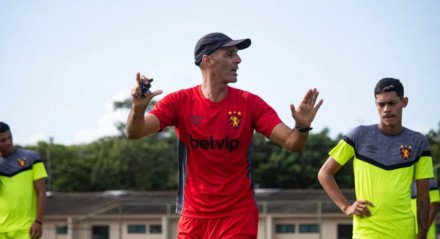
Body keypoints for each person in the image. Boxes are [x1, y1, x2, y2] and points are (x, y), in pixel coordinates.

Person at [126, 32, 323, 238]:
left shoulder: (250, 103)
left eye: (236, 54)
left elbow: (293, 143)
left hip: (238, 216)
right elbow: (135, 132)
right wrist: (138, 109)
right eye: (230, 54)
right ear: (207, 60)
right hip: (193, 217)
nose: (238, 59)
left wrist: (301, 127)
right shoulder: (178, 102)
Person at [318, 78, 434, 239]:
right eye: (381, 104)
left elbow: (423, 196)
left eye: (392, 103)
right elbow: (324, 173)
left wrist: (422, 236)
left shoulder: (418, 142)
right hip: (366, 233)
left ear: (404, 102)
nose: (386, 109)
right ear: (376, 105)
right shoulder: (358, 135)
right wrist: (346, 207)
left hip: (404, 233)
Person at [0, 122, 47, 239]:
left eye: (9, 137)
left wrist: (38, 221)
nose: (8, 142)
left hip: (26, 228)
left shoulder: (31, 157)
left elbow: (41, 191)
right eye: (2, 140)